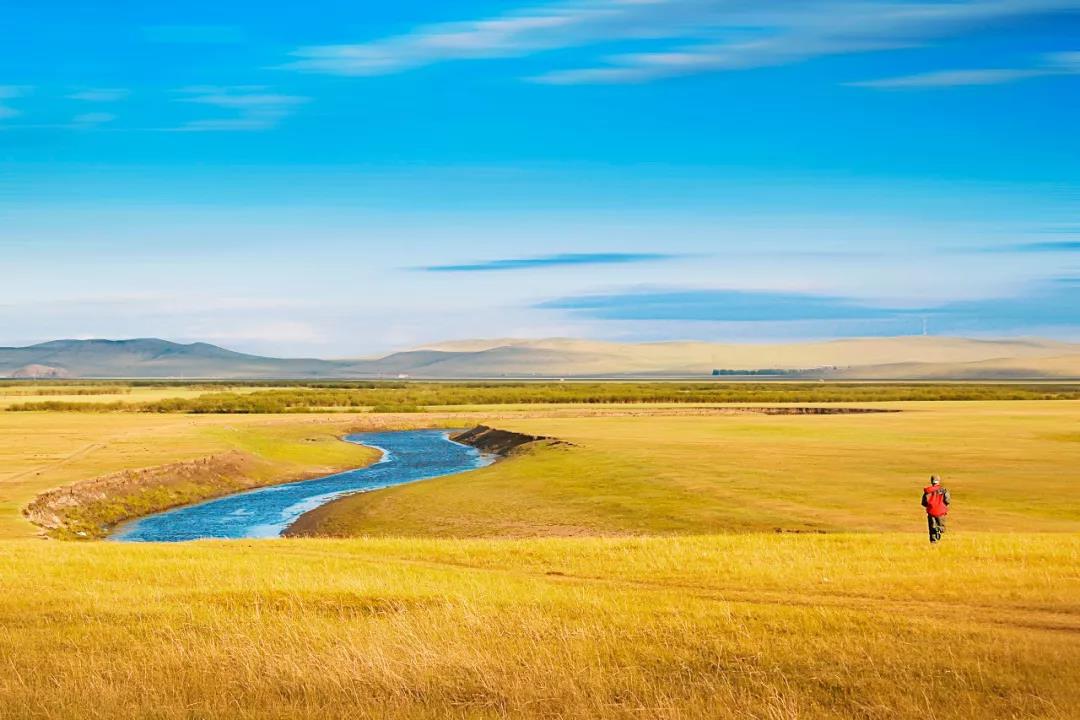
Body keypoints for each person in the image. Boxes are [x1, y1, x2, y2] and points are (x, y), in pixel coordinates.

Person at [921, 475, 951, 544]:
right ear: (939, 481)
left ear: (931, 481)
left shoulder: (927, 491)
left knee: (931, 528)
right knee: (942, 527)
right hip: (941, 512)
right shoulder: (944, 490)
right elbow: (947, 501)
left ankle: (933, 542)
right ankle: (938, 529)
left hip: (931, 512)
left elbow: (924, 503)